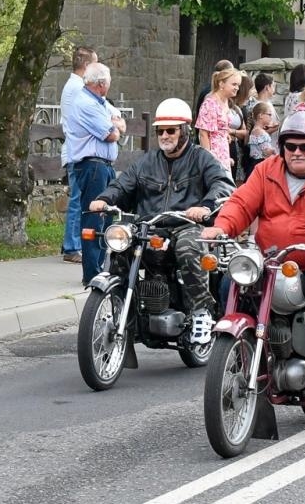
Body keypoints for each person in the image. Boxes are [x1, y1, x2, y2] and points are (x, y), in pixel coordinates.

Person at [203, 111, 305, 399]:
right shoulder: (267, 170)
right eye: (290, 146)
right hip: (272, 260)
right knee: (230, 283)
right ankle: (240, 349)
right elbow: (242, 202)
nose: (297, 152)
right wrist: (221, 227)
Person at [88, 98, 233, 319]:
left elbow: (223, 184)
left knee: (188, 248)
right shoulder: (146, 161)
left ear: (185, 131)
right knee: (121, 245)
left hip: (187, 225)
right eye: (160, 131)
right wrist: (105, 198)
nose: (164, 136)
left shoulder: (202, 158)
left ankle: (201, 312)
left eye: (171, 130)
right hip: (150, 225)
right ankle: (122, 304)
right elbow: (123, 184)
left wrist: (205, 206)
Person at [65, 62, 125, 286]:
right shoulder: (86, 104)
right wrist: (115, 127)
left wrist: (116, 125)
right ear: (101, 84)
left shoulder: (99, 102)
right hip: (92, 166)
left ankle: (101, 267)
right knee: (93, 217)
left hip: (103, 165)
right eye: (108, 82)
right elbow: (111, 135)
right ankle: (91, 273)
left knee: (108, 215)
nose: (109, 86)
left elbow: (121, 123)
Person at [59, 46, 97, 265]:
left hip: (75, 150)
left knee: (79, 198)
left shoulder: (73, 85)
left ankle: (73, 242)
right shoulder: (76, 88)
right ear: (86, 66)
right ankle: (72, 245)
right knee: (77, 199)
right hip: (77, 151)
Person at [196, 67, 244, 174]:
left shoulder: (225, 101)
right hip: (213, 156)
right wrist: (209, 161)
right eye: (234, 84)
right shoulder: (210, 103)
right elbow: (203, 134)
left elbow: (220, 127)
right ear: (222, 84)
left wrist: (224, 134)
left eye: (238, 85)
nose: (237, 88)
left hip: (223, 153)